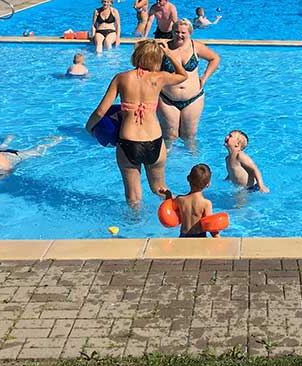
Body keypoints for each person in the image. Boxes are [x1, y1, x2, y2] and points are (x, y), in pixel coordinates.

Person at [85, 40, 188, 208]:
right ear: (157, 59)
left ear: (137, 55)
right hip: (155, 140)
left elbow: (100, 112)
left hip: (129, 142)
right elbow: (183, 75)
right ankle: (180, 210)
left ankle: (134, 226)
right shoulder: (159, 78)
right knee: (160, 188)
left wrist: (89, 128)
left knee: (133, 197)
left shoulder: (121, 78)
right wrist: (169, 54)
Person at [158, 19, 220, 143]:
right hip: (167, 99)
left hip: (193, 98)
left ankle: (193, 160)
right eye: (176, 32)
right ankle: (168, 161)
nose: (179, 35)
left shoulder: (195, 46)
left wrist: (204, 78)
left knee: (189, 136)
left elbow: (215, 59)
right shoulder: (164, 48)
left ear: (190, 33)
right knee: (169, 137)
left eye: (183, 33)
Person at [171, 164, 218, 238]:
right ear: (208, 184)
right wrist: (217, 237)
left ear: (188, 178)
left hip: (183, 236)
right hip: (199, 236)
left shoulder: (180, 199)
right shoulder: (206, 203)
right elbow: (209, 225)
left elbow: (170, 209)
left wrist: (167, 195)